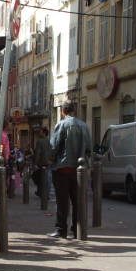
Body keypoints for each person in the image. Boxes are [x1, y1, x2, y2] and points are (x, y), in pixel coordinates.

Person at [48, 101, 91, 239]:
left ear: (63, 111)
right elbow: (89, 148)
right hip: (79, 170)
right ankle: (77, 229)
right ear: (74, 111)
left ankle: (61, 230)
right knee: (77, 201)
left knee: (62, 202)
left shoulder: (61, 124)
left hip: (63, 168)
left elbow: (54, 146)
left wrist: (51, 160)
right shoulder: (84, 126)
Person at [32, 127, 51, 197]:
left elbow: (38, 153)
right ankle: (46, 193)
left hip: (41, 163)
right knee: (47, 178)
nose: (39, 133)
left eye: (41, 132)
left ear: (44, 133)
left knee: (39, 177)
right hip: (48, 162)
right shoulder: (49, 141)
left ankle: (41, 192)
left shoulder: (40, 141)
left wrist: (35, 163)